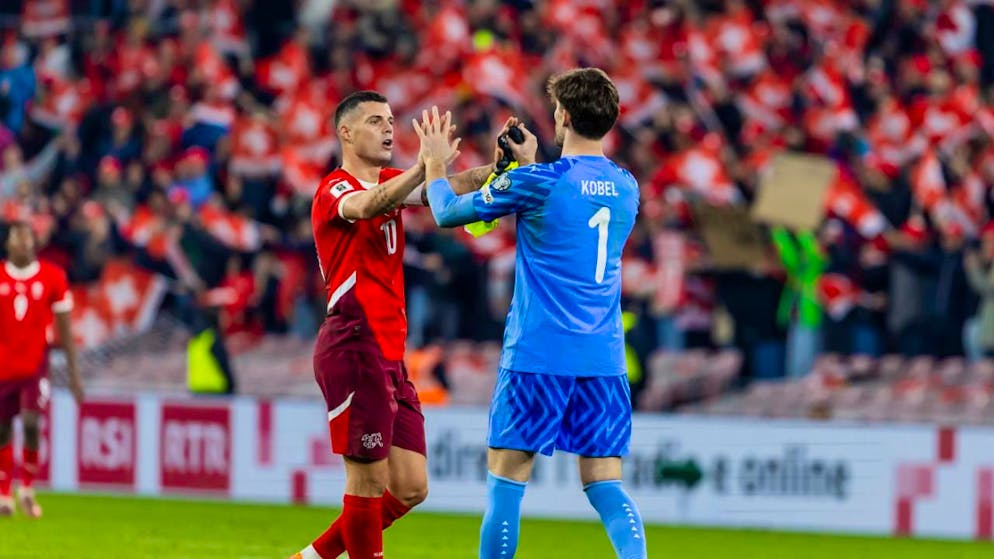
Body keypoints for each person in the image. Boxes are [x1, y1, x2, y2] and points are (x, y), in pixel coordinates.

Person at [425, 68, 647, 558]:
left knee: (507, 482)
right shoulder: (628, 186)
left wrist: (435, 164)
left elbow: (445, 213)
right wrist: (527, 166)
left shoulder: (539, 182)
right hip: (604, 358)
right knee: (605, 484)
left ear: (562, 116)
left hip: (538, 353)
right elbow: (572, 199)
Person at [292, 92, 496, 559]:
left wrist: (499, 167)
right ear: (346, 132)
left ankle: (309, 558)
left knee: (409, 487)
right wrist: (426, 165)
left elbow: (453, 185)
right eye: (374, 121)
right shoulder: (334, 189)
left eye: (390, 120)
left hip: (389, 352)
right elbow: (369, 206)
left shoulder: (390, 182)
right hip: (354, 344)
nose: (388, 129)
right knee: (367, 479)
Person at [0, 221, 83, 518]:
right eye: (17, 239)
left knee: (32, 424)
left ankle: (28, 489)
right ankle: (4, 493)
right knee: (3, 429)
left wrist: (74, 374)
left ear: (34, 243)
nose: (23, 244)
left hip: (35, 367)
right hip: (2, 369)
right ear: (8, 244)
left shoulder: (53, 277)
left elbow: (65, 329)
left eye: (27, 239)